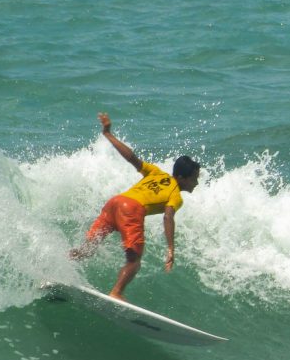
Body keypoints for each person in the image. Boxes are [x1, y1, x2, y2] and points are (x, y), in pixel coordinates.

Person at [70, 112, 200, 301]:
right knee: (134, 262)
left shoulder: (156, 173)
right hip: (131, 210)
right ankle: (117, 292)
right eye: (194, 179)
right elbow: (168, 217)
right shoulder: (175, 195)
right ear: (181, 178)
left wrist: (108, 134)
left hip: (114, 203)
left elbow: (131, 158)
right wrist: (171, 248)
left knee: (87, 250)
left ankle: (58, 266)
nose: (196, 183)